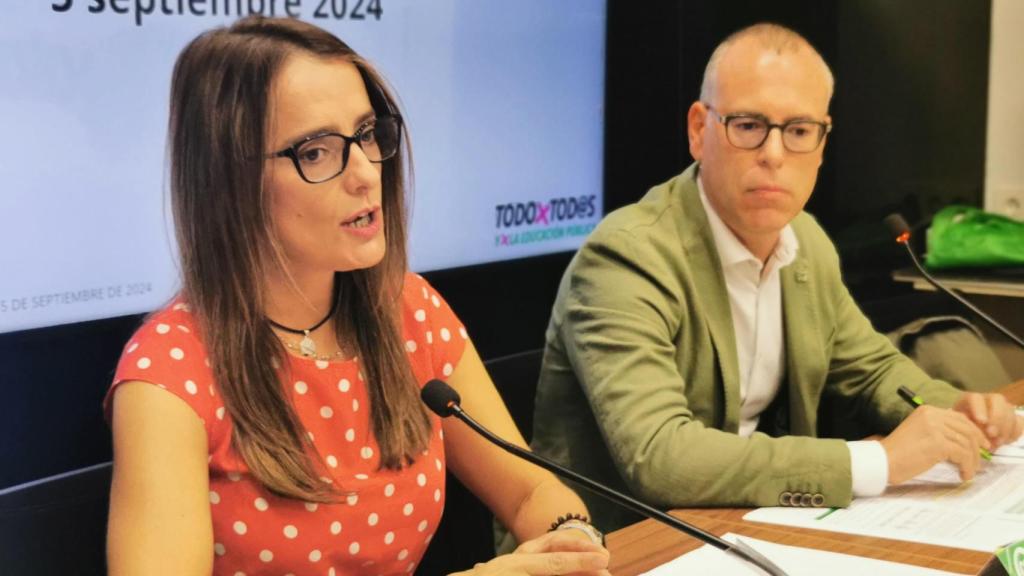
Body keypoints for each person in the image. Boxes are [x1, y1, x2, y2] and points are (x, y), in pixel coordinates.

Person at [105, 16, 609, 576]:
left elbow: (530, 491)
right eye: (317, 152)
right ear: (230, 181)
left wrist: (573, 538)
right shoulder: (167, 378)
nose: (367, 173)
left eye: (367, 134)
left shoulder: (409, 310)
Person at [531, 22, 1024, 532]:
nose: (774, 154)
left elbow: (872, 371)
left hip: (744, 522)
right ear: (699, 130)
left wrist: (958, 412)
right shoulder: (626, 257)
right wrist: (876, 462)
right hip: (620, 544)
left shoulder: (804, 241)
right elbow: (660, 457)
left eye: (798, 131)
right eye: (748, 126)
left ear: (822, 143)